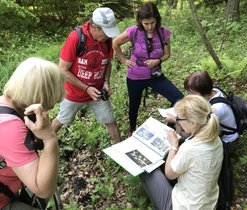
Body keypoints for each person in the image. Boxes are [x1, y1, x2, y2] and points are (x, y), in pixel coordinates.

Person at [0, 57, 65, 209]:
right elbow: (43, 189)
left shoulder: (6, 106)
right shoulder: (10, 127)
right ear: (44, 95)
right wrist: (49, 138)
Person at [113, 2, 184, 136]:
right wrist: (124, 60)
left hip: (155, 75)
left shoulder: (164, 33)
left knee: (178, 98)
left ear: (157, 19)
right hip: (135, 76)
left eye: (152, 22)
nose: (150, 27)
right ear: (140, 21)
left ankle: (171, 127)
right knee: (134, 105)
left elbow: (167, 54)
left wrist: (157, 61)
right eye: (146, 24)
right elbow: (115, 43)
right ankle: (132, 130)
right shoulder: (133, 31)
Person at [140, 95, 223, 210]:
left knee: (144, 167)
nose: (178, 122)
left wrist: (173, 146)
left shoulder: (190, 148)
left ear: (193, 123)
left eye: (179, 119)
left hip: (184, 206)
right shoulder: (215, 138)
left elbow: (169, 174)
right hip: (208, 203)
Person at [52, 7, 121, 142]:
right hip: (74, 94)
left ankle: (122, 151)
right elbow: (62, 70)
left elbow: (108, 62)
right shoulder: (76, 38)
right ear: (94, 27)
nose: (109, 36)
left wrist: (106, 82)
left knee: (111, 121)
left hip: (98, 93)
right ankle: (42, 146)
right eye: (106, 33)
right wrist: (86, 88)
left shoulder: (106, 40)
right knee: (61, 120)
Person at [183, 70, 239, 210]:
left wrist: (178, 119)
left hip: (228, 142)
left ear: (203, 92)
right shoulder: (214, 91)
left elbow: (199, 128)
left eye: (192, 94)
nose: (190, 96)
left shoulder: (216, 109)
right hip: (225, 133)